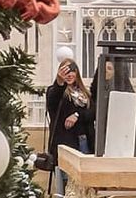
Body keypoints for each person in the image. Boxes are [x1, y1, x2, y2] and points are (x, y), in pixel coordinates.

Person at [46, 58, 94, 196]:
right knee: (67, 183)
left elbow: (92, 112)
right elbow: (53, 100)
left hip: (84, 142)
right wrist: (60, 82)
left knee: (86, 183)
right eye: (65, 70)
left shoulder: (84, 93)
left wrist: (77, 115)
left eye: (72, 69)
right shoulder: (57, 91)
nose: (69, 73)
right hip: (66, 143)